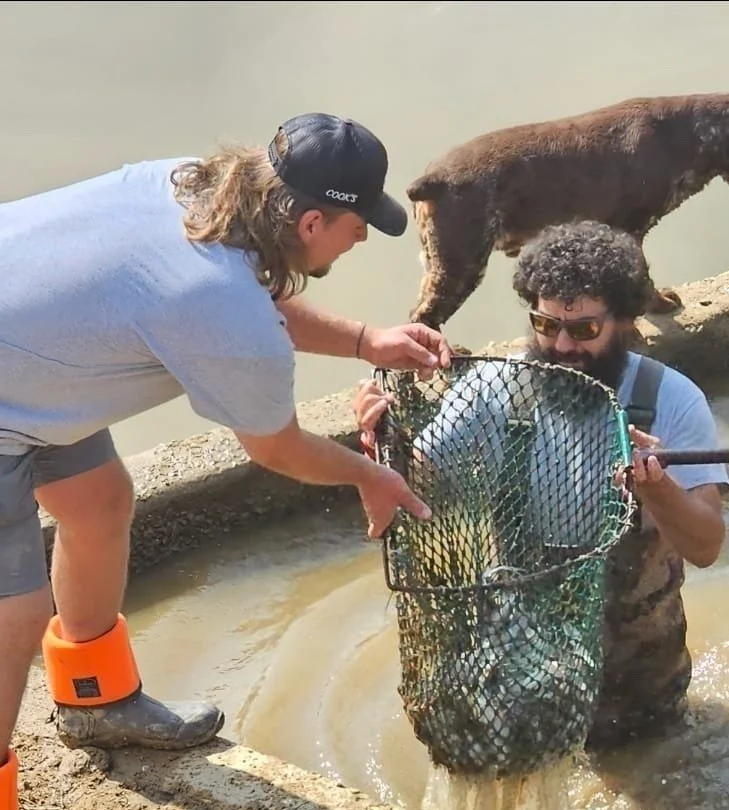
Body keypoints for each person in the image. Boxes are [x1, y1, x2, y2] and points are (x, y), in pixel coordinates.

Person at [0, 111, 452, 806]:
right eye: (358, 225)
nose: (362, 238)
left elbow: (245, 304)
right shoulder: (219, 301)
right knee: (14, 613)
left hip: (33, 359)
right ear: (311, 224)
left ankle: (94, 698)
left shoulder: (191, 187)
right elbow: (277, 446)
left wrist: (366, 341)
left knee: (99, 503)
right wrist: (370, 475)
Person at [352, 219, 729, 749]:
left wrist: (658, 486)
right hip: (525, 664)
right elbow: (415, 496)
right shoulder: (493, 388)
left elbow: (707, 546)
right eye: (546, 325)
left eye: (584, 330)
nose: (563, 345)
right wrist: (379, 447)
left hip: (641, 678)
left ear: (624, 321)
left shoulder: (673, 399)